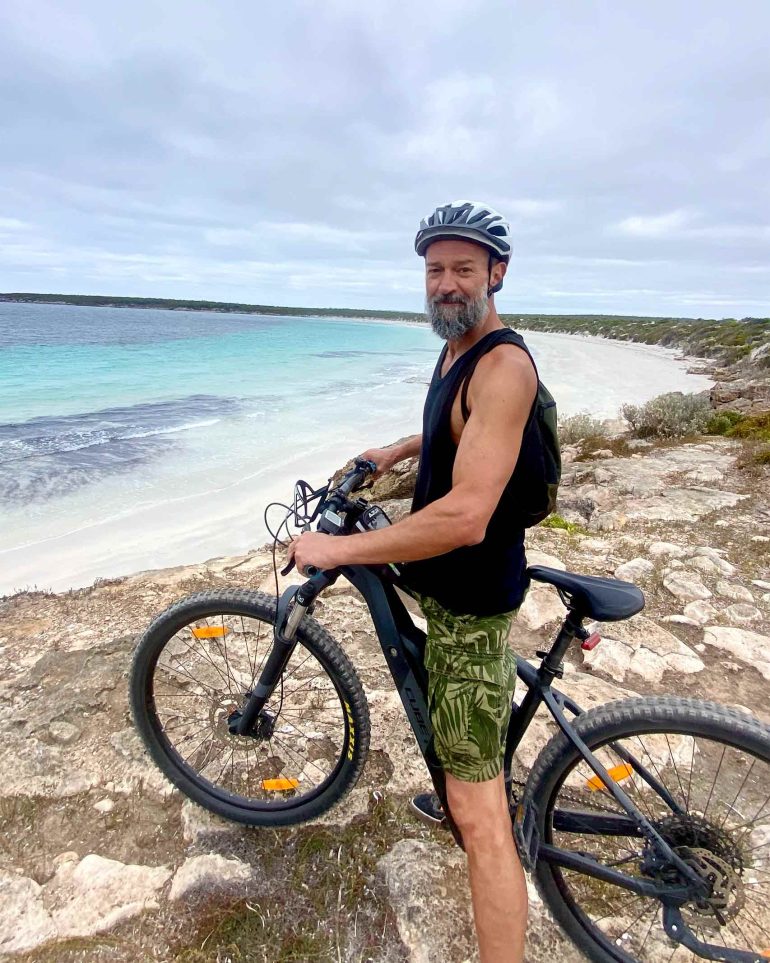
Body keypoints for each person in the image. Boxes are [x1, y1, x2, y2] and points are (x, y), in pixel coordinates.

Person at [286, 199, 537, 963]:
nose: (446, 283)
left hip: (470, 600)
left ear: (497, 273)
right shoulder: (458, 345)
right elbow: (452, 423)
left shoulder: (505, 366)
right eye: (435, 270)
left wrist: (336, 552)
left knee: (480, 815)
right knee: (450, 714)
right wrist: (396, 450)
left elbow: (464, 516)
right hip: (449, 582)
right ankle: (470, 758)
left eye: (464, 268)